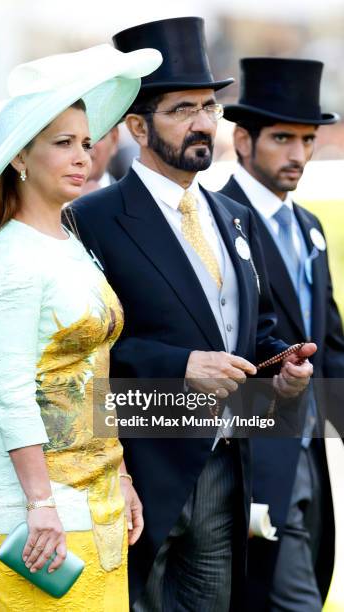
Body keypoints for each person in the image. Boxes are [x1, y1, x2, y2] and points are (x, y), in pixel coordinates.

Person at [69, 18, 316, 611]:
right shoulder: (91, 218)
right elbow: (78, 352)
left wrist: (281, 370)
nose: (204, 122)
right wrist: (181, 366)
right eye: (182, 108)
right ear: (136, 125)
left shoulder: (235, 216)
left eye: (209, 105)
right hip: (135, 471)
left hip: (227, 464)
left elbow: (253, 332)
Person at [0, 45, 162, 611]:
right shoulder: (9, 259)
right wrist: (40, 506)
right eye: (63, 143)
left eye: (85, 142)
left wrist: (122, 476)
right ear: (19, 158)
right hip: (41, 508)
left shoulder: (71, 245)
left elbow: (91, 374)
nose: (83, 156)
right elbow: (10, 395)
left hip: (98, 497)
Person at [220, 57, 344, 611]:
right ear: (243, 140)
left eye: (308, 138)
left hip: (309, 455)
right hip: (246, 455)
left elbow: (331, 345)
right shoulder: (217, 218)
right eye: (282, 138)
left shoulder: (310, 227)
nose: (298, 154)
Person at [80, 126, 119, 194]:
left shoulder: (133, 201)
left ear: (114, 139)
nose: (86, 146)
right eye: (68, 140)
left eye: (96, 135)